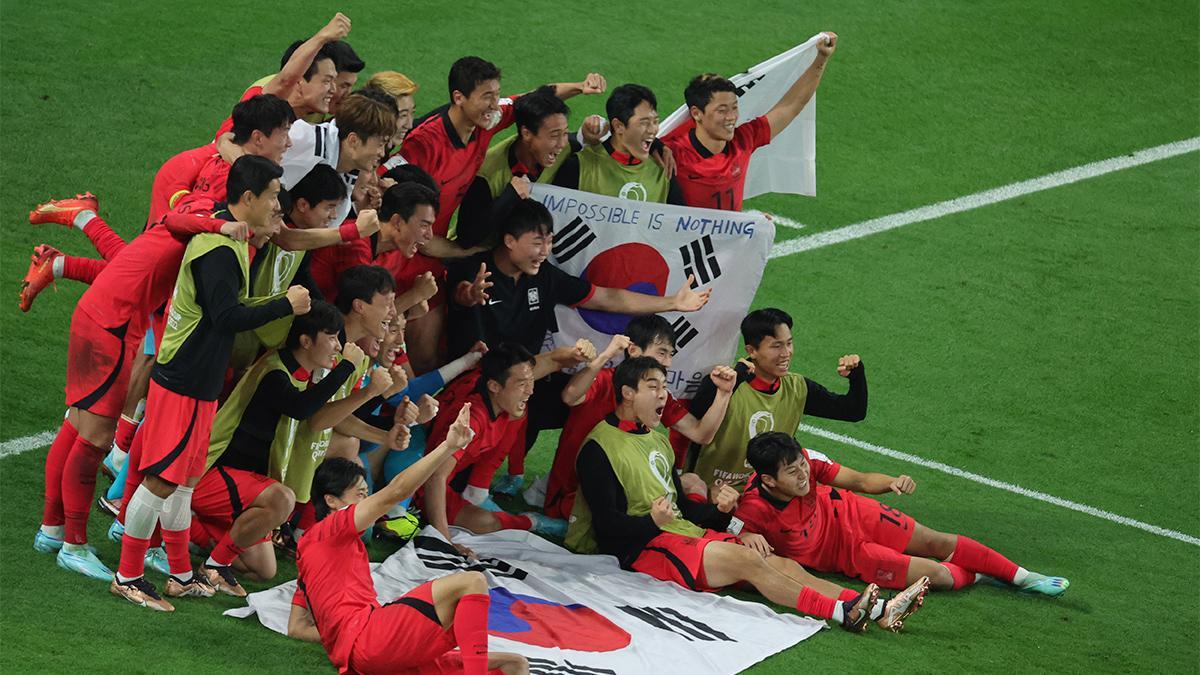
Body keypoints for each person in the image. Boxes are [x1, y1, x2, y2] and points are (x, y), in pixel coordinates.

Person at [567, 357, 928, 632]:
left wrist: (733, 521)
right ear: (628, 393)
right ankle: (843, 612)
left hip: (679, 534)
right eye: (653, 387)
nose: (664, 394)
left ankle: (879, 610)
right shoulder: (599, 448)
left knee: (779, 561)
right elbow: (607, 526)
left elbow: (686, 514)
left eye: (664, 386)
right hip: (643, 550)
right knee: (750, 563)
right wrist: (652, 522)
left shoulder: (657, 439)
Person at [111, 156, 310, 611]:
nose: (279, 205)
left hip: (197, 381)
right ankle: (128, 576)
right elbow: (226, 316)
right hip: (182, 378)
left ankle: (180, 575)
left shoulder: (231, 236)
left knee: (183, 483)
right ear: (248, 199)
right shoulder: (218, 248)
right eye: (274, 196)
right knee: (162, 481)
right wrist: (284, 304)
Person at [447, 199, 711, 483]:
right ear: (509, 240)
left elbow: (606, 297)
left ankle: (558, 482)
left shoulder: (545, 276)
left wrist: (672, 302)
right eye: (537, 243)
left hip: (526, 380)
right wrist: (470, 294)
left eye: (549, 242)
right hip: (478, 382)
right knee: (556, 360)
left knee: (583, 399)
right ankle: (475, 481)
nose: (545, 251)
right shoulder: (475, 270)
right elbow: (461, 293)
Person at [398, 55, 605, 373]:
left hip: (440, 253)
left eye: (497, 95)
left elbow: (533, 98)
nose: (495, 104)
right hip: (410, 252)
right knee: (414, 355)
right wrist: (464, 249)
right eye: (487, 97)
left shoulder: (486, 119)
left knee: (433, 356)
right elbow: (412, 227)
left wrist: (579, 87)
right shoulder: (424, 144)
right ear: (459, 97)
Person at [286, 420, 528, 675]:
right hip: (371, 639)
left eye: (367, 493)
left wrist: (341, 639)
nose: (367, 501)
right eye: (360, 494)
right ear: (331, 501)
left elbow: (296, 628)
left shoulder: (311, 553)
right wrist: (448, 446)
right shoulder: (330, 529)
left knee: (514, 665)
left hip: (374, 655)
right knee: (472, 582)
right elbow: (396, 491)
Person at [191, 302, 392, 592]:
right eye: (332, 338)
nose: (338, 347)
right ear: (306, 341)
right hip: (211, 473)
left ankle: (193, 532)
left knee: (263, 570)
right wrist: (348, 369)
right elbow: (302, 409)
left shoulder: (303, 375)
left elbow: (326, 415)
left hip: (245, 487)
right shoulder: (275, 371)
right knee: (282, 499)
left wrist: (379, 403)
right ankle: (212, 565)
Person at [739, 432, 1070, 596]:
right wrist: (745, 533)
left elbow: (857, 480)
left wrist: (891, 482)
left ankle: (1024, 577)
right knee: (938, 576)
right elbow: (732, 537)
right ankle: (982, 574)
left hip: (853, 512)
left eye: (802, 466)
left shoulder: (807, 464)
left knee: (935, 541)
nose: (803, 476)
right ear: (768, 479)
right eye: (793, 473)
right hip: (850, 555)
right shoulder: (752, 509)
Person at [541, 315, 737, 520]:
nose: (668, 363)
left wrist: (724, 393)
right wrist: (606, 354)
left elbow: (701, 434)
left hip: (627, 487)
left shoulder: (658, 394)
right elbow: (570, 396)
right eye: (662, 353)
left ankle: (688, 522)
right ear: (633, 350)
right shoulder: (603, 379)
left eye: (671, 354)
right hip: (577, 494)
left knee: (692, 482)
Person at [684, 307, 867, 491]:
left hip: (763, 498)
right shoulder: (722, 384)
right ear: (751, 350)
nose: (786, 353)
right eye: (776, 346)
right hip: (709, 494)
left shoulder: (797, 387)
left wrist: (856, 375)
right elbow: (691, 433)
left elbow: (853, 411)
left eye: (789, 343)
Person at [661, 32, 838, 211]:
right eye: (722, 110)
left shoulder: (744, 140)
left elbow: (791, 106)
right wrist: (655, 148)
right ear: (697, 113)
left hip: (731, 239)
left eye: (734, 107)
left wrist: (821, 60)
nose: (731, 117)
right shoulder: (671, 153)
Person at [421, 343, 574, 550]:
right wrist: (444, 541)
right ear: (494, 386)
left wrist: (580, 354)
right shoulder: (471, 419)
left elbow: (549, 362)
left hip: (456, 472)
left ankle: (479, 491)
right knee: (486, 523)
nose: (530, 390)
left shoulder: (500, 393)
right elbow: (433, 477)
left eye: (531, 381)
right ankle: (531, 522)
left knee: (519, 412)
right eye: (522, 384)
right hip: (422, 482)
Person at [456, 86, 593, 249]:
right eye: (555, 135)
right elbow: (466, 237)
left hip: (528, 252)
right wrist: (508, 197)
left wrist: (589, 134)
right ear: (527, 134)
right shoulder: (486, 175)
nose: (562, 144)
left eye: (564, 133)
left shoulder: (561, 149)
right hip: (482, 259)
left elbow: (578, 141)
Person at [279, 90, 397, 228]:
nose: (382, 153)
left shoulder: (347, 169)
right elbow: (262, 191)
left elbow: (329, 227)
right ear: (353, 141)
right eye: (380, 144)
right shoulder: (308, 144)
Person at [552, 83, 684, 204]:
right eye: (644, 122)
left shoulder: (663, 170)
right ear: (619, 126)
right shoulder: (578, 167)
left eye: (655, 121)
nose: (652, 130)